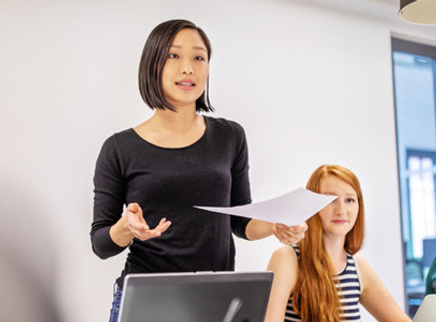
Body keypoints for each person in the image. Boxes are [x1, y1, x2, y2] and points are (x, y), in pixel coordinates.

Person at [90, 19, 307, 322]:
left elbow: (239, 221)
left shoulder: (230, 136)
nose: (188, 68)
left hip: (215, 301)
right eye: (174, 55)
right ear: (152, 65)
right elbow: (100, 243)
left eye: (199, 57)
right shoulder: (119, 148)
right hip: (148, 303)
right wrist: (127, 227)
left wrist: (275, 225)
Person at [265, 165, 410, 322]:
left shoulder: (357, 266)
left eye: (349, 200)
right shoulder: (287, 258)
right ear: (311, 206)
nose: (341, 210)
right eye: (331, 200)